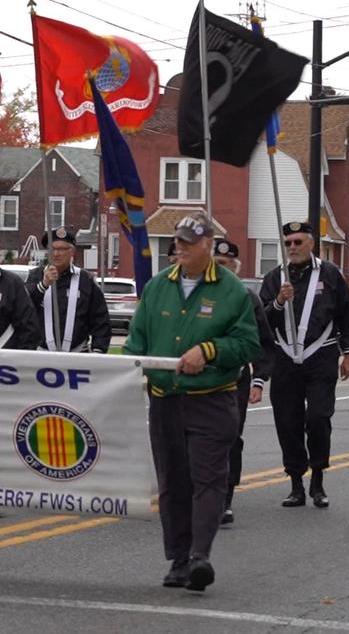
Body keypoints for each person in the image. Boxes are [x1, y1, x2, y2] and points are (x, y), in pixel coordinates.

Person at [123, 212, 259, 592]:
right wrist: (129, 369)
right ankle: (178, 559)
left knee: (208, 480)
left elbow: (249, 344)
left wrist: (210, 349)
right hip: (166, 399)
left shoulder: (231, 290)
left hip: (211, 400)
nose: (179, 249)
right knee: (173, 483)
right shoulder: (157, 288)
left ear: (207, 246)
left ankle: (201, 555)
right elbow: (137, 340)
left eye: (187, 242)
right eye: (177, 242)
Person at [259, 221, 349, 510]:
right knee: (288, 422)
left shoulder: (329, 275)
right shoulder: (274, 279)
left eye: (298, 242)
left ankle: (318, 479)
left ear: (311, 243)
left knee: (318, 418)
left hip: (321, 355)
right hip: (285, 359)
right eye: (288, 243)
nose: (292, 247)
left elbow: (347, 315)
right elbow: (261, 322)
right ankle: (296, 484)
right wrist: (279, 302)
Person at [211, 238, 273, 525]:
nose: (220, 268)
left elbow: (263, 342)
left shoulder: (247, 299)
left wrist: (259, 380)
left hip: (235, 378)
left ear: (235, 268)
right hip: (199, 379)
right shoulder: (194, 294)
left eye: (225, 265)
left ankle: (225, 498)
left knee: (230, 438)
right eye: (216, 263)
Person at [25, 226, 111, 353]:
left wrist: (98, 351)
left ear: (72, 251)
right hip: (41, 355)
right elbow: (25, 310)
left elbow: (100, 319)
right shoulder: (35, 276)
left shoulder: (85, 280)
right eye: (52, 249)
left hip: (77, 355)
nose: (56, 254)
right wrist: (43, 285)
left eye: (62, 249)